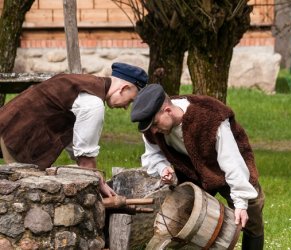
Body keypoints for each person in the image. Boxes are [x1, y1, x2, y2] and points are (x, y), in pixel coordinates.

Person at [131, 84, 265, 250]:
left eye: (156, 124)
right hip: (193, 173)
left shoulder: (210, 117)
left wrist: (241, 204)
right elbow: (152, 154)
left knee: (251, 219)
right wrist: (162, 167)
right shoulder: (152, 129)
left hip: (230, 168)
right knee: (186, 222)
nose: (154, 130)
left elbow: (232, 162)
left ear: (167, 110)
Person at [0, 62, 148, 197]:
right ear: (125, 88)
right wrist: (99, 187)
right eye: (130, 100)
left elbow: (74, 140)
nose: (126, 107)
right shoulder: (92, 103)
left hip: (8, 124)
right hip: (16, 136)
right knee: (19, 197)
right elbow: (85, 158)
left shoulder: (85, 85)